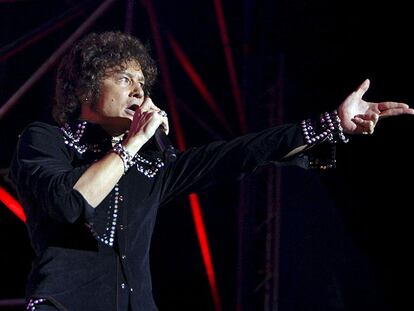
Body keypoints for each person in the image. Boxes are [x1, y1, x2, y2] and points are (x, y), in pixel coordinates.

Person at [9, 30, 413, 311]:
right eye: (123, 78)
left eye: (142, 82)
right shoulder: (47, 141)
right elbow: (70, 202)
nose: (139, 90)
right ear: (85, 89)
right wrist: (133, 143)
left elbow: (241, 153)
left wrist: (331, 124)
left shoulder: (153, 168)